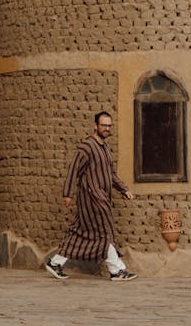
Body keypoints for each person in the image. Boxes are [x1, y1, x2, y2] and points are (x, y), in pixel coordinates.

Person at [45, 111, 137, 281]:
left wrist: (123, 189)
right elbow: (74, 169)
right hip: (91, 197)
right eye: (103, 125)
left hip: (102, 196)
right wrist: (68, 193)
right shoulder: (87, 146)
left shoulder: (105, 148)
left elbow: (110, 174)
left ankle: (55, 262)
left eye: (109, 126)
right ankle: (116, 270)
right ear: (95, 125)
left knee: (79, 232)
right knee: (105, 229)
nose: (107, 128)